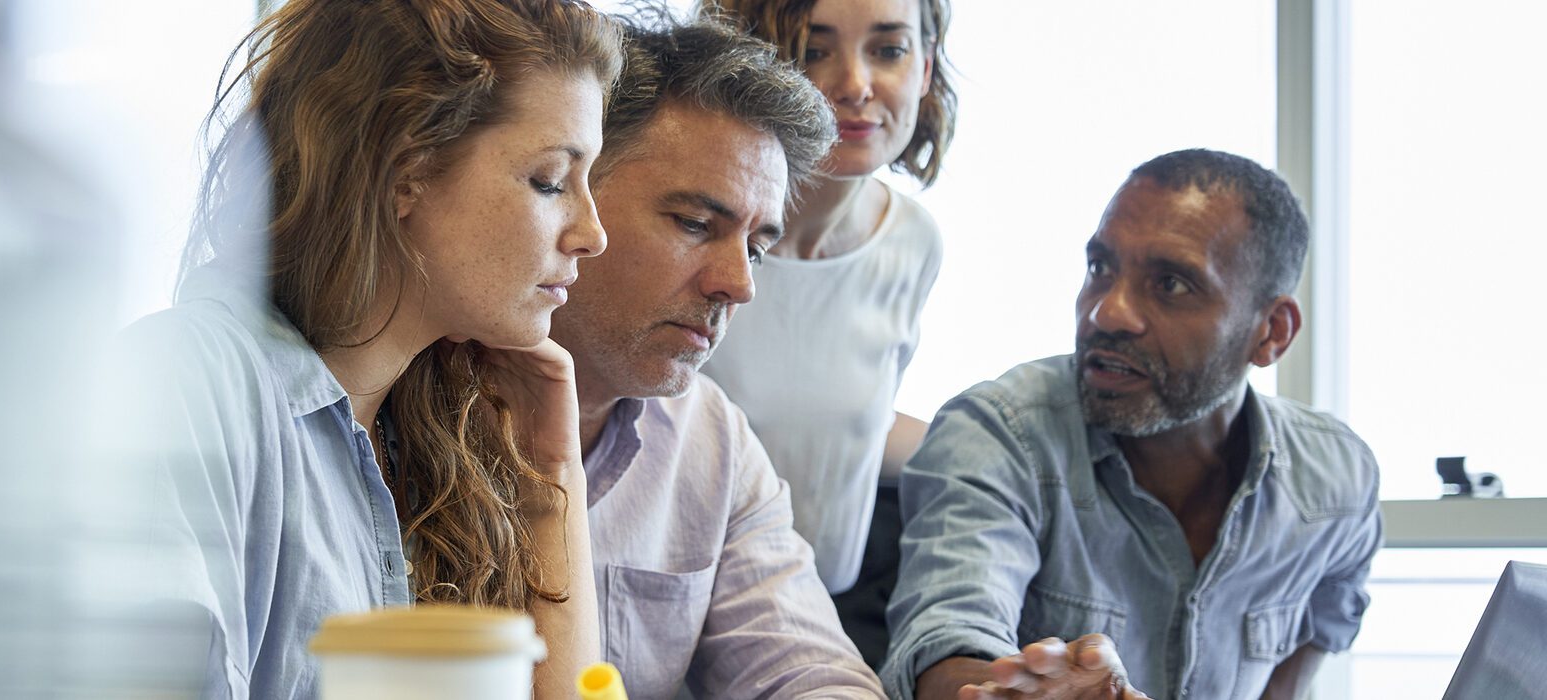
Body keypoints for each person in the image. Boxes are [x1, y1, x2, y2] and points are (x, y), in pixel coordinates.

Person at [120, 1, 621, 696]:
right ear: (405, 171)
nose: (592, 232)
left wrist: (551, 474)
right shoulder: (185, 384)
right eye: (549, 180)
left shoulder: (437, 430)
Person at [882, 149, 1383, 700]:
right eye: (1100, 268)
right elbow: (948, 640)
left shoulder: (1337, 479)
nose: (1106, 313)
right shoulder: (998, 434)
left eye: (1170, 284)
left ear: (1271, 333)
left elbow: (1324, 625)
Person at [548, 14, 883, 699]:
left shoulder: (712, 442)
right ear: (567, 196)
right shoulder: (402, 395)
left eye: (756, 246)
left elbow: (808, 667)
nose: (739, 284)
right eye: (697, 225)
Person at [699, 1, 956, 632]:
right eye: (814, 51)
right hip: (685, 613)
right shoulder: (693, 232)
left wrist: (1001, 451)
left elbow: (843, 423)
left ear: (925, 68)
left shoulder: (913, 242)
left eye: (888, 50)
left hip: (822, 618)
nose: (856, 86)